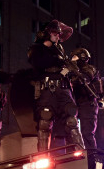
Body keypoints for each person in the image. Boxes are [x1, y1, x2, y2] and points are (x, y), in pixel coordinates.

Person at [27, 19, 85, 152]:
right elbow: (38, 63)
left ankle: (81, 153)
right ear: (47, 34)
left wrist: (69, 69)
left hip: (63, 89)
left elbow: (63, 72)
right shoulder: (37, 49)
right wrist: (59, 61)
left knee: (72, 120)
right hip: (47, 89)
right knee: (44, 122)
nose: (58, 36)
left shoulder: (60, 51)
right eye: (55, 33)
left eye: (58, 34)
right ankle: (42, 157)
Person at [69, 48, 104, 149]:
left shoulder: (90, 69)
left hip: (88, 104)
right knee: (71, 132)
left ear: (82, 57)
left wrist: (73, 71)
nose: (73, 59)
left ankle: (91, 161)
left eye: (75, 57)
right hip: (76, 103)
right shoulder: (72, 70)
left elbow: (82, 79)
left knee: (87, 134)